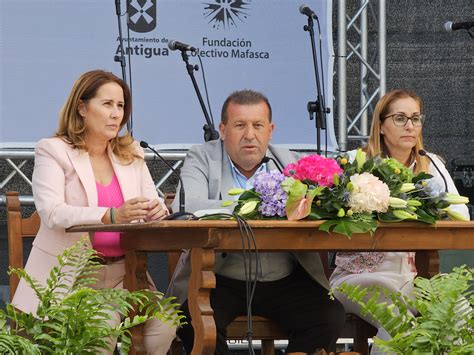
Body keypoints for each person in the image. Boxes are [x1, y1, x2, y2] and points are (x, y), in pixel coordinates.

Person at [167, 89, 345, 354]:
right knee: (196, 322)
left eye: (257, 125)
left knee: (328, 317)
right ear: (223, 129)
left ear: (270, 130)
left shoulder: (291, 162)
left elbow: (327, 203)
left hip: (283, 277)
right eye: (240, 125)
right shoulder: (202, 157)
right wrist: (262, 204)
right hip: (219, 277)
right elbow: (190, 206)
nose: (249, 134)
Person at [12, 70, 176, 354]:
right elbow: (52, 212)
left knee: (168, 321)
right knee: (102, 325)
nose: (116, 114)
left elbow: (154, 201)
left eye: (121, 106)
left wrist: (154, 210)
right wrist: (111, 216)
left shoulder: (131, 153)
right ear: (82, 107)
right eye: (107, 104)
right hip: (76, 276)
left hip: (128, 273)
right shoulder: (53, 151)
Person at [329, 89, 470, 354]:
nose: (410, 126)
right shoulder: (356, 163)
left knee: (459, 313)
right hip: (360, 276)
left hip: (414, 277)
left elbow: (461, 217)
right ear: (381, 126)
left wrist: (431, 208)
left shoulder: (432, 165)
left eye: (415, 118)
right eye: (400, 118)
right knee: (399, 323)